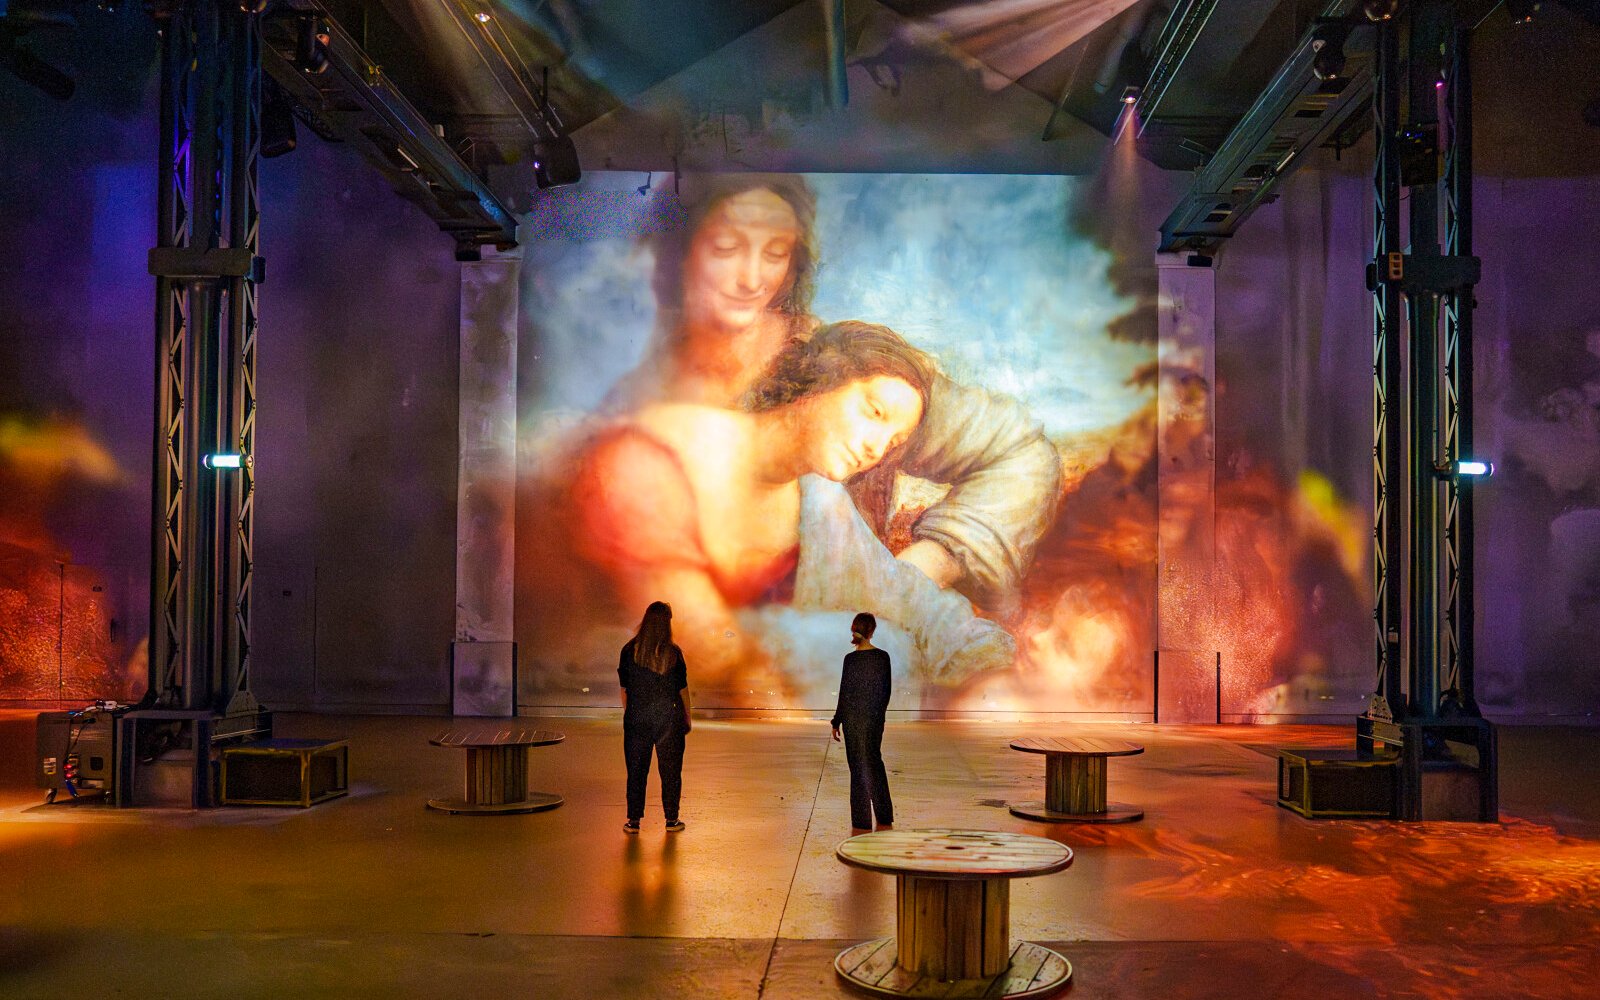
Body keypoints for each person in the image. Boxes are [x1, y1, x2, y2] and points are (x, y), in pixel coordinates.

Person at [603, 174, 1063, 616]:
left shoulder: (844, 370)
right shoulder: (637, 397)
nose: (752, 279)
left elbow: (1021, 452)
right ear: (681, 251)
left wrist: (918, 573)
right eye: (727, 248)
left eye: (776, 252)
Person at [571, 321, 1014, 703]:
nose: (877, 448)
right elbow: (707, 653)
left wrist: (988, 666)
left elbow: (906, 597)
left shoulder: (821, 501)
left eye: (892, 443)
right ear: (824, 378)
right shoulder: (654, 455)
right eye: (874, 412)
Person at [619, 601, 692, 833]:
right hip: (668, 718)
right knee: (671, 770)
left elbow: (625, 690)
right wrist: (687, 717)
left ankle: (633, 821)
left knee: (637, 770)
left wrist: (630, 714)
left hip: (637, 717)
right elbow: (682, 691)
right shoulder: (673, 654)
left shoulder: (629, 651)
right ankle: (671, 820)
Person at [831, 612, 893, 832]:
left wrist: (836, 721)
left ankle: (861, 820)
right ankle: (884, 815)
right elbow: (886, 693)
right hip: (873, 720)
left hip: (852, 721)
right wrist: (878, 717)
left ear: (855, 629)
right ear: (872, 630)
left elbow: (844, 693)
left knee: (857, 767)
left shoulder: (851, 659)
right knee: (875, 763)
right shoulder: (882, 657)